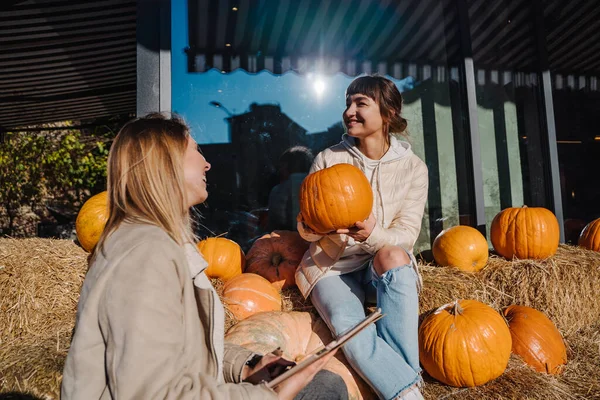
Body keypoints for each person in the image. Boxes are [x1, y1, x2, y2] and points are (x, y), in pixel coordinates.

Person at [61, 113, 347, 400]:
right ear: (167, 163)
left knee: (324, 383)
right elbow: (150, 392)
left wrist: (248, 366)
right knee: (323, 389)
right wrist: (270, 396)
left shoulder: (154, 244)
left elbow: (179, 347)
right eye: (195, 151)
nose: (207, 163)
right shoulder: (145, 255)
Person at [296, 75, 429, 400]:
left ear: (389, 113)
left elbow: (407, 236)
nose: (349, 111)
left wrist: (372, 234)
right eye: (347, 103)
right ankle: (407, 392)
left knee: (395, 256)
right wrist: (320, 228)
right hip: (332, 267)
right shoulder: (328, 159)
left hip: (378, 264)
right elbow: (304, 226)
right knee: (347, 320)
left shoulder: (413, 168)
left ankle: (400, 388)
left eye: (361, 103)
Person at [268, 146, 314, 231]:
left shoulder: (279, 190)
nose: (279, 171)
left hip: (288, 238)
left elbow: (277, 221)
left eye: (281, 166)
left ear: (285, 166)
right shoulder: (318, 185)